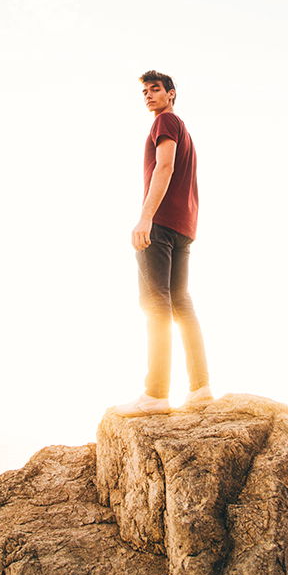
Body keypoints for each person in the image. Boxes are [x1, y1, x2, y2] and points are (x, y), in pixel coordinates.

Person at [114, 70, 212, 416]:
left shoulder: (166, 123)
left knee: (155, 305)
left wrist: (145, 218)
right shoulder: (182, 128)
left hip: (162, 225)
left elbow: (165, 167)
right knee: (181, 305)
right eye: (144, 92)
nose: (148, 96)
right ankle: (200, 388)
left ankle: (155, 394)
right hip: (184, 226)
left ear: (171, 93)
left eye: (155, 90)